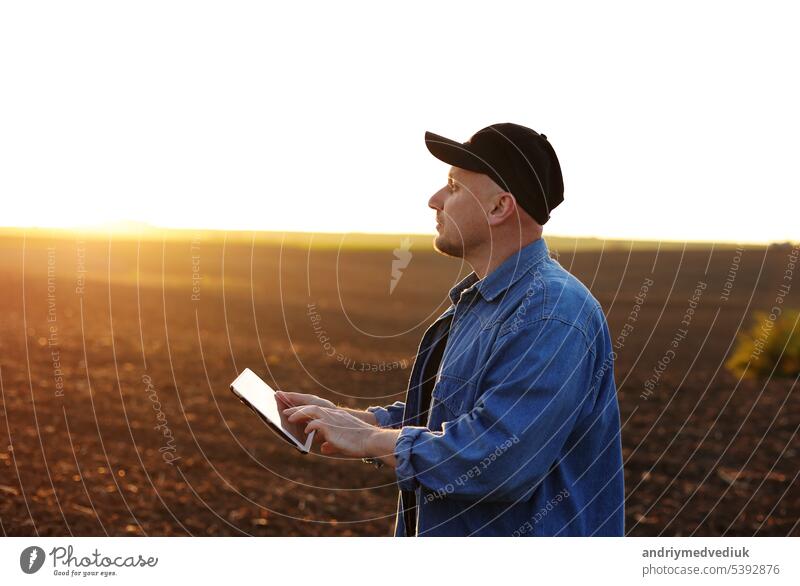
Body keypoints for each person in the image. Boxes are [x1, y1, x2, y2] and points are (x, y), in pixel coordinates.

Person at [278, 123, 625, 536]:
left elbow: (496, 458)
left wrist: (370, 440)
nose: (434, 200)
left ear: (500, 208)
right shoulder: (484, 302)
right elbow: (447, 416)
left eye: (454, 187)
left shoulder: (551, 314)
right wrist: (357, 419)